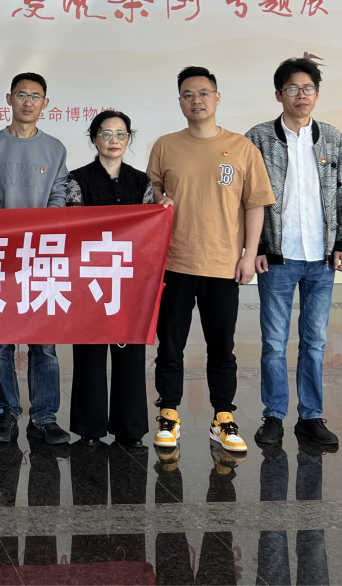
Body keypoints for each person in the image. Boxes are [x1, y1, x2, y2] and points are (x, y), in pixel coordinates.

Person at [147, 66, 275, 455]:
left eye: (203, 93)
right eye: (188, 94)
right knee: (170, 345)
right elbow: (152, 193)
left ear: (217, 98)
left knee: (222, 347)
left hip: (223, 264)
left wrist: (249, 254)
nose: (196, 100)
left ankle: (223, 417)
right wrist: (159, 200)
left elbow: (255, 204)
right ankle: (168, 413)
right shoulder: (165, 146)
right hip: (174, 263)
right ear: (180, 101)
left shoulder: (242, 148)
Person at [246, 57, 342, 447]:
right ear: (279, 94)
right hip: (277, 255)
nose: (301, 95)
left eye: (308, 88)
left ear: (317, 94)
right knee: (274, 343)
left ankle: (310, 416)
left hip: (321, 258)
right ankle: (273, 415)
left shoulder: (331, 137)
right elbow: (247, 198)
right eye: (293, 88)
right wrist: (257, 247)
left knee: (315, 342)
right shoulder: (258, 138)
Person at [0, 72, 70, 445]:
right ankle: (7, 413)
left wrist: (42, 234)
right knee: (0, 343)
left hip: (41, 258)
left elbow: (59, 196)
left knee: (43, 343)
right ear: (9, 99)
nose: (28, 102)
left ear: (45, 103)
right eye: (21, 95)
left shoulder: (55, 149)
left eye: (35, 96)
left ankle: (44, 416)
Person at [66, 110, 153, 449]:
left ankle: (129, 428)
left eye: (120, 134)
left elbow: (149, 233)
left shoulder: (141, 182)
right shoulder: (77, 179)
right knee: (89, 353)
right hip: (89, 278)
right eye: (106, 133)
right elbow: (75, 228)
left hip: (129, 279)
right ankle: (89, 427)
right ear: (94, 138)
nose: (113, 140)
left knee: (129, 353)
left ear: (128, 139)